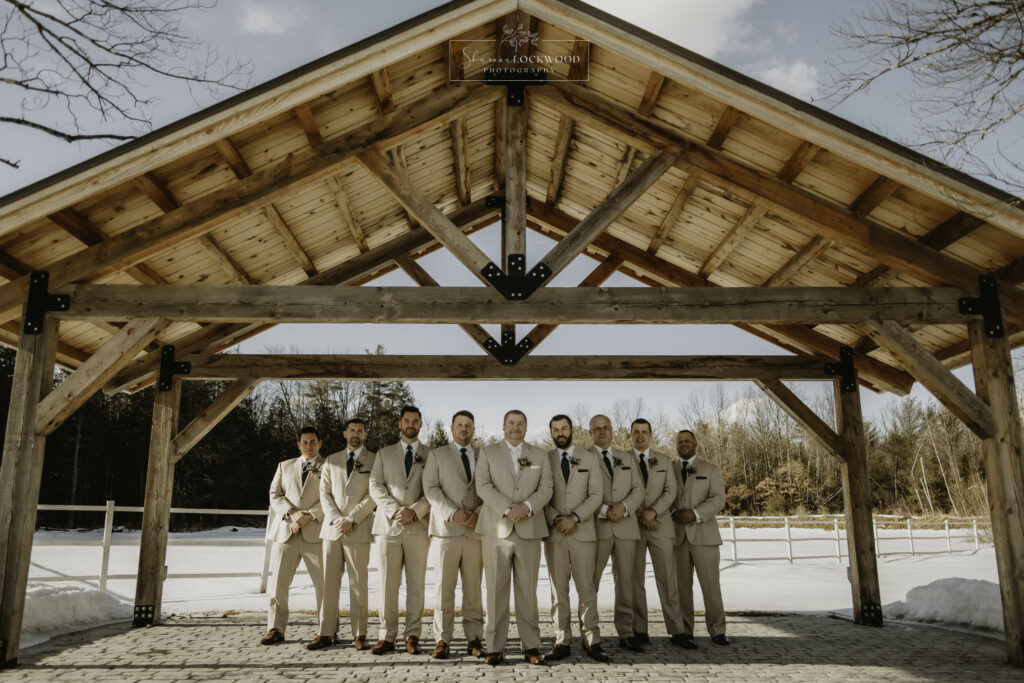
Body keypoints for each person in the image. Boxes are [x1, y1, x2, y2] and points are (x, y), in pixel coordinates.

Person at [475, 409, 553, 666]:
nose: (515, 428)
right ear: (504, 426)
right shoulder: (488, 452)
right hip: (497, 529)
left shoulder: (540, 454)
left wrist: (527, 507)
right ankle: (494, 647)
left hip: (529, 529)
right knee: (496, 592)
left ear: (526, 428)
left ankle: (531, 646)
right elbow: (483, 485)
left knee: (527, 592)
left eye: (520, 424)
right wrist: (509, 508)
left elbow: (546, 488)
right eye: (511, 423)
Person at [307, 418, 377, 651]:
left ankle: (360, 633)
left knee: (359, 584)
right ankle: (326, 632)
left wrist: (352, 518)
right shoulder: (331, 460)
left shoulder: (374, 460)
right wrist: (337, 519)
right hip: (332, 530)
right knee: (328, 584)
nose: (356, 434)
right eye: (352, 431)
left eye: (360, 431)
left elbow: (373, 494)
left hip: (358, 529)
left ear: (365, 435)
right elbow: (324, 493)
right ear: (344, 434)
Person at [369, 405, 432, 655]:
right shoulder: (384, 453)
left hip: (418, 527)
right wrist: (395, 510)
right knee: (387, 585)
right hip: (388, 527)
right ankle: (386, 636)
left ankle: (413, 635)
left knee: (416, 585)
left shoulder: (431, 455)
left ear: (420, 424)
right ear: (399, 424)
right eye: (407, 420)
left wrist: (415, 510)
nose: (411, 425)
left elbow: (435, 489)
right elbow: (375, 485)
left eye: (415, 421)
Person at [422, 410, 485, 659]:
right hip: (445, 531)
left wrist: (479, 513)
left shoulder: (484, 455)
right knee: (444, 589)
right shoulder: (437, 455)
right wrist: (452, 512)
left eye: (469, 425)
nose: (464, 429)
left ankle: (475, 638)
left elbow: (491, 486)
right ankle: (442, 639)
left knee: (473, 589)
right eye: (460, 425)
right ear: (451, 428)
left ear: (474, 429)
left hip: (475, 530)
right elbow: (431, 488)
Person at [544, 414, 607, 662]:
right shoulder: (545, 459)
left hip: (583, 532)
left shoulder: (590, 458)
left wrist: (576, 518)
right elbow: (541, 494)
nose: (560, 433)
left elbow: (596, 495)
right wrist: (557, 518)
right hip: (555, 533)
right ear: (551, 433)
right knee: (558, 591)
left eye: (564, 428)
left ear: (572, 430)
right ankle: (562, 639)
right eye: (556, 429)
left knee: (586, 589)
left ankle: (592, 639)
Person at [261, 426, 326, 645]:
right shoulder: (284, 466)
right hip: (286, 532)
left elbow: (333, 497)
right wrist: (292, 514)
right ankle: (275, 629)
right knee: (278, 584)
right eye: (305, 442)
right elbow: (275, 494)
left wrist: (310, 515)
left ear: (320, 443)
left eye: (313, 442)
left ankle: (326, 631)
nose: (309, 445)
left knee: (324, 585)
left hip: (315, 533)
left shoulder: (329, 467)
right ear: (299, 444)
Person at [587, 414, 645, 653]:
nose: (602, 432)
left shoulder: (626, 457)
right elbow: (580, 492)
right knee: (591, 583)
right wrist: (602, 510)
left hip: (625, 525)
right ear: (590, 433)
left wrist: (623, 507)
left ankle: (627, 632)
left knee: (626, 582)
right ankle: (589, 632)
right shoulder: (583, 457)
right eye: (597, 429)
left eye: (606, 428)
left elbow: (638, 489)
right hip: (596, 528)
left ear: (612, 430)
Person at [629, 418, 689, 647]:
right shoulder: (621, 460)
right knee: (635, 580)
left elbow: (671, 491)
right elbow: (619, 492)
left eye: (644, 432)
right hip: (633, 526)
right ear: (630, 435)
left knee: (668, 580)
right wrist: (639, 514)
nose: (640, 436)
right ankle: (639, 629)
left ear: (651, 434)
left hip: (660, 526)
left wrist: (653, 512)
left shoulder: (664, 460)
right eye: (636, 432)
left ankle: (677, 630)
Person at [671, 429, 728, 647]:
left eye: (687, 441)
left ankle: (718, 630)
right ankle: (684, 630)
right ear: (676, 445)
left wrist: (694, 514)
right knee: (681, 588)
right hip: (678, 537)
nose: (683, 444)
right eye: (680, 441)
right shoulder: (670, 469)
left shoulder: (710, 469)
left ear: (695, 443)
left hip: (704, 535)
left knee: (711, 586)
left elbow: (718, 499)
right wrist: (674, 512)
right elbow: (665, 494)